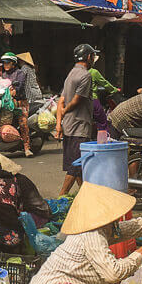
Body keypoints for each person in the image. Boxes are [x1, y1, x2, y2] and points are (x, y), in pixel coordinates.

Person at [55, 44, 96, 196]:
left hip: (68, 125)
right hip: (79, 125)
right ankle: (61, 195)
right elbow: (77, 100)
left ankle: (85, 194)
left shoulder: (71, 74)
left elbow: (61, 100)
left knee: (77, 162)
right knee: (77, 163)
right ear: (89, 57)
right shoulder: (86, 75)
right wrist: (65, 111)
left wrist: (59, 123)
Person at [0, 52, 32, 157]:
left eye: (8, 63)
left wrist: (13, 90)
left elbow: (19, 86)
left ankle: (27, 148)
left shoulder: (20, 73)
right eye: (4, 63)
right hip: (7, 104)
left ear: (13, 63)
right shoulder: (3, 75)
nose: (5, 65)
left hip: (20, 102)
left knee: (23, 124)